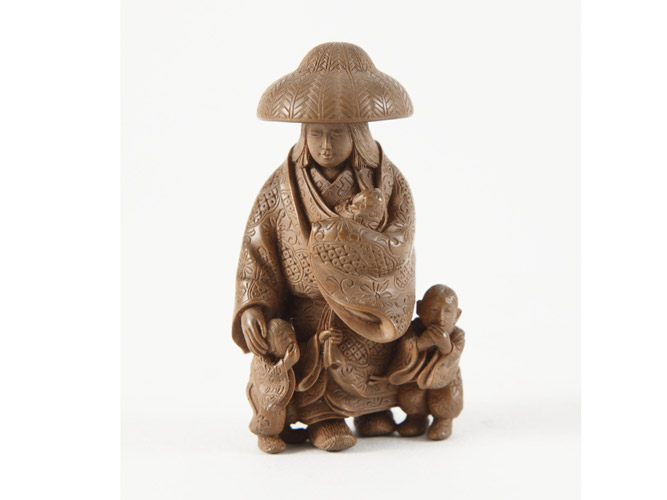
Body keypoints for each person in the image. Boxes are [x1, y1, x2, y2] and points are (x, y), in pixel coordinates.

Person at [233, 42, 417, 453]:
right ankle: (323, 417)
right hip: (311, 310)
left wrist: (369, 250)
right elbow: (256, 248)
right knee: (320, 357)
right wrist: (252, 305)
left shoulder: (389, 183)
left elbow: (401, 238)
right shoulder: (281, 187)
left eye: (336, 134)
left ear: (358, 134)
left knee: (373, 355)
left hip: (368, 306)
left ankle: (374, 410)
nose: (325, 145)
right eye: (315, 134)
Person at [386, 285, 465, 440]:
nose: (440, 318)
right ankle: (416, 419)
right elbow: (405, 345)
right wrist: (420, 344)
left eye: (447, 311)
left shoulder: (457, 335)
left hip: (445, 381)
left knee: (445, 399)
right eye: (434, 310)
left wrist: (447, 347)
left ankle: (443, 421)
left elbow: (455, 355)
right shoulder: (413, 329)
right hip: (416, 378)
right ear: (420, 308)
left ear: (457, 315)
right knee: (412, 398)